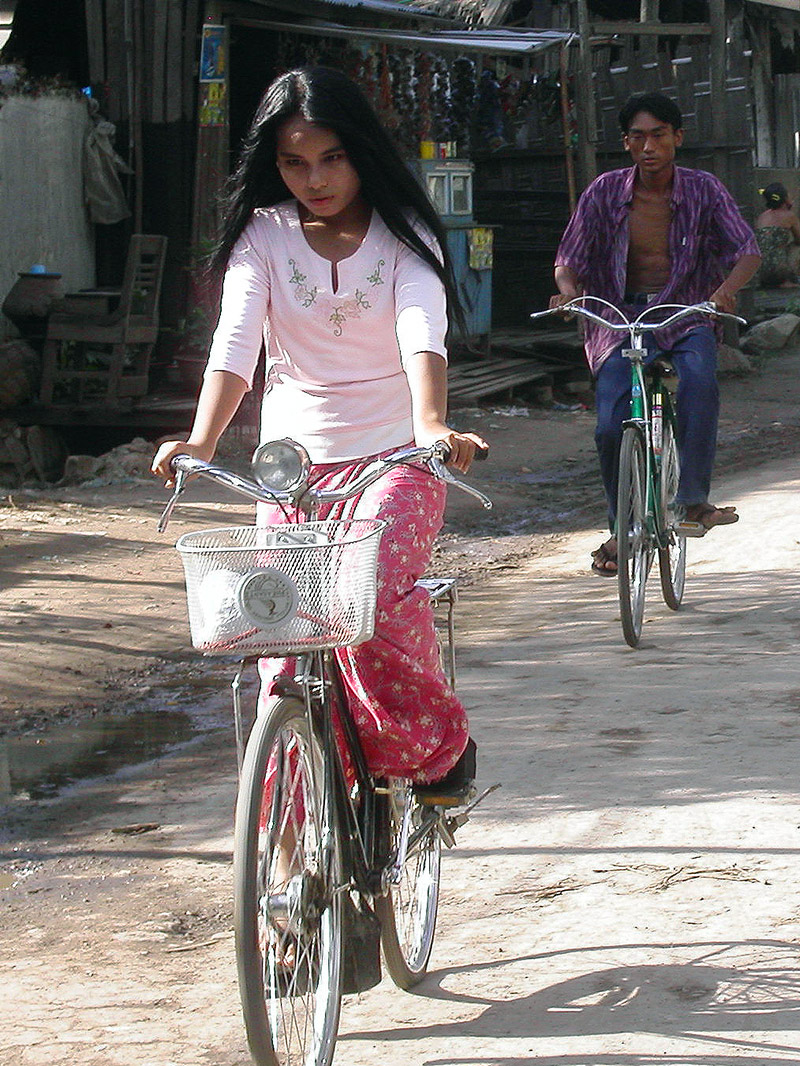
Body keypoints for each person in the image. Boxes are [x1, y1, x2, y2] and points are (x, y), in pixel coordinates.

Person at [152, 66, 487, 798]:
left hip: (398, 461)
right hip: (292, 473)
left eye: (331, 157)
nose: (315, 178)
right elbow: (235, 347)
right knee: (280, 638)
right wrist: (201, 443)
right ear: (274, 166)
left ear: (360, 151)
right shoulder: (262, 239)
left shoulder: (406, 236)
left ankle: (435, 749)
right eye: (294, 162)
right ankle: (296, 847)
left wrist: (431, 423)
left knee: (364, 607)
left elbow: (420, 334)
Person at [550, 92, 761, 576]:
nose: (649, 146)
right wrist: (566, 292)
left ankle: (691, 501)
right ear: (626, 143)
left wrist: (727, 291)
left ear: (677, 138)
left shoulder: (705, 189)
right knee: (609, 425)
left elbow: (746, 249)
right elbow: (570, 257)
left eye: (659, 135)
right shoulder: (603, 191)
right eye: (638, 137)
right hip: (617, 318)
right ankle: (621, 528)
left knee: (699, 382)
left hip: (684, 314)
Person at [754, 182, 800, 288]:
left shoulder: (762, 217)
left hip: (760, 272)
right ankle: (787, 280)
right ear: (785, 198)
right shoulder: (789, 216)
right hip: (779, 272)